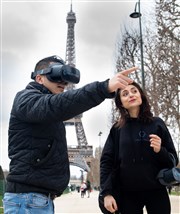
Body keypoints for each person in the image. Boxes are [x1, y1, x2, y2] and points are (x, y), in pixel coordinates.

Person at [2, 55, 137, 214]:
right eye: (56, 75)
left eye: (65, 78)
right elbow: (58, 105)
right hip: (27, 200)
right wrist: (103, 88)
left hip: (37, 200)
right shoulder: (26, 99)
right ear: (39, 78)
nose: (63, 82)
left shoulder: (48, 109)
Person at [100, 82, 178, 214]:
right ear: (121, 103)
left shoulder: (157, 124)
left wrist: (160, 151)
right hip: (127, 195)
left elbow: (172, 160)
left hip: (157, 191)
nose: (131, 95)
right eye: (125, 94)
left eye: (134, 91)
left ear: (141, 96)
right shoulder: (117, 129)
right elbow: (106, 162)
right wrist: (106, 193)